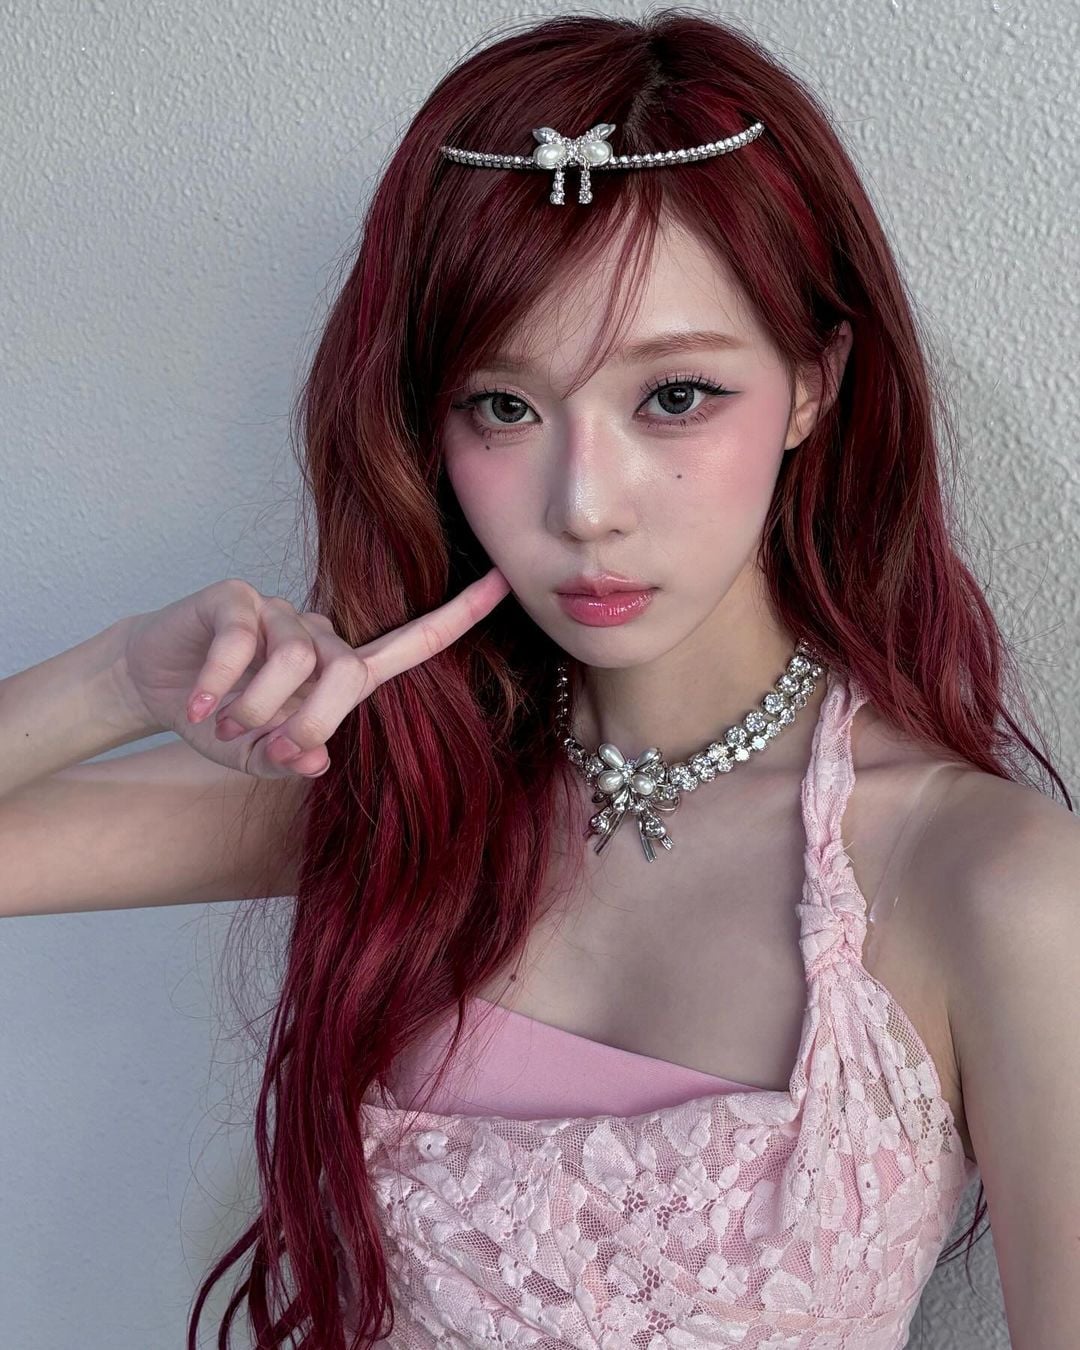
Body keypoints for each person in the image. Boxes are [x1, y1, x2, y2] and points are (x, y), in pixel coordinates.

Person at [3, 9, 1078, 1348]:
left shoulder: (986, 879)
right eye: (503, 406)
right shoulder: (402, 787)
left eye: (674, 396)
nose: (584, 506)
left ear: (814, 382)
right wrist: (119, 678)